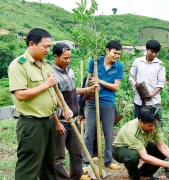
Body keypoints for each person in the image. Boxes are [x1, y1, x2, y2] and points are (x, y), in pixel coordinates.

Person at [7, 28, 70, 180]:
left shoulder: (45, 65)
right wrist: (45, 85)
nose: (48, 50)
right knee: (29, 166)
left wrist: (65, 108)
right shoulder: (19, 65)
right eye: (45, 46)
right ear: (32, 44)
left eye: (49, 46)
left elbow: (55, 91)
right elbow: (20, 94)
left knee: (48, 165)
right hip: (32, 124)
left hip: (48, 122)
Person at [52, 43, 97, 180]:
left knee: (77, 153)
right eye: (65, 58)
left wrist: (88, 90)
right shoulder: (51, 75)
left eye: (70, 58)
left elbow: (72, 92)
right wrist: (56, 122)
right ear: (56, 56)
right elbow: (51, 98)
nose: (68, 60)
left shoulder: (69, 71)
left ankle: (76, 177)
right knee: (58, 157)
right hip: (61, 120)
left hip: (73, 119)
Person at [83, 40, 123, 170]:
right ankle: (86, 161)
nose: (116, 56)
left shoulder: (119, 67)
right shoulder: (94, 62)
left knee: (109, 132)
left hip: (108, 102)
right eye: (114, 53)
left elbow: (116, 87)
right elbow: (87, 82)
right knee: (89, 132)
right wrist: (91, 86)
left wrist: (100, 81)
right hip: (92, 102)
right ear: (107, 50)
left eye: (119, 54)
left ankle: (108, 161)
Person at [112, 106, 169, 180]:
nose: (153, 127)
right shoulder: (130, 130)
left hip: (142, 145)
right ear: (140, 122)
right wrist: (167, 164)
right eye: (150, 126)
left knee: (160, 151)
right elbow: (144, 156)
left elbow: (161, 145)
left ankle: (144, 174)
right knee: (132, 156)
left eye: (155, 124)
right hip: (121, 149)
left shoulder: (155, 125)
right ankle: (135, 177)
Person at [129, 39, 166, 119]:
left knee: (156, 126)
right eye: (152, 51)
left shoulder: (160, 64)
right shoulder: (137, 61)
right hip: (139, 102)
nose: (153, 54)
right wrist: (137, 87)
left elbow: (161, 82)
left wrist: (152, 94)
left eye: (156, 52)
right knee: (138, 125)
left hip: (154, 102)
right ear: (147, 49)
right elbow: (131, 76)